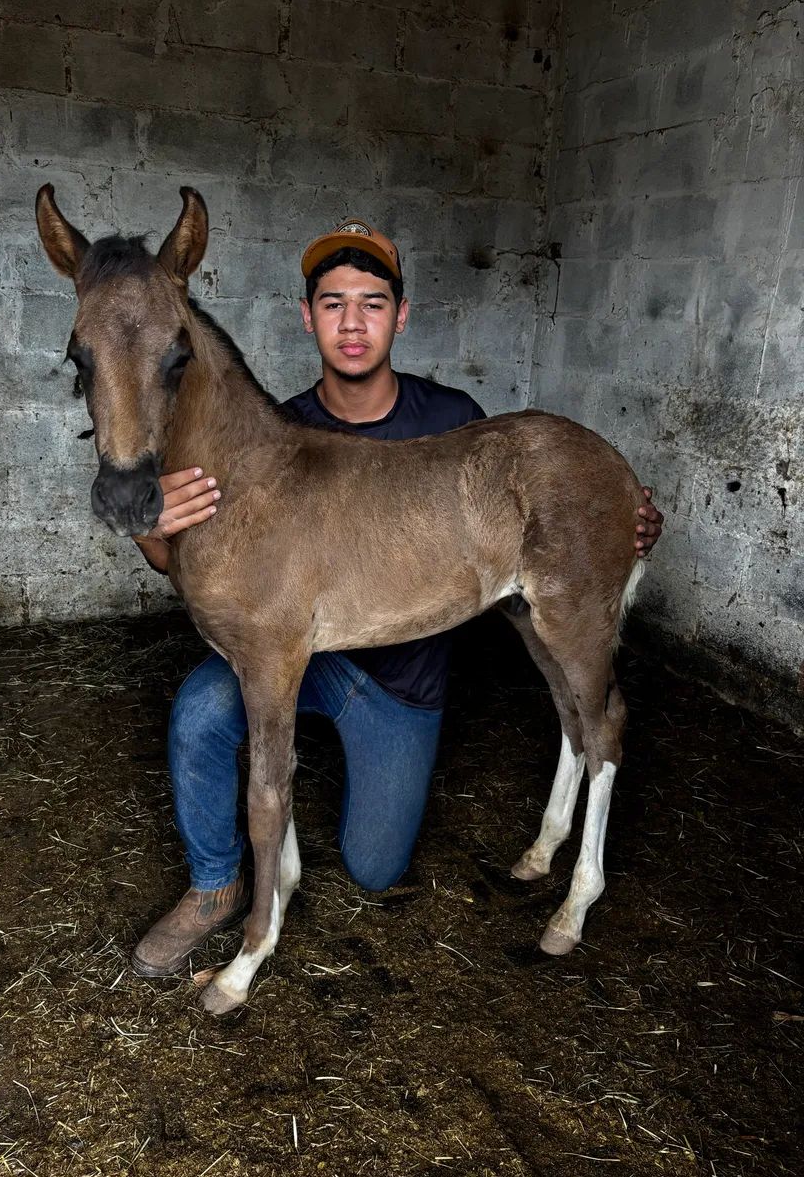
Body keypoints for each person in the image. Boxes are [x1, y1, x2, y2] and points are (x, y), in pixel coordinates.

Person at [128, 219, 664, 978]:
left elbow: (522, 526)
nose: (353, 322)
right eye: (334, 302)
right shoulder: (274, 436)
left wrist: (617, 521)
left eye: (373, 303)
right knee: (203, 707)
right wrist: (148, 523)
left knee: (384, 860)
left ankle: (582, 863)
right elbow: (191, 561)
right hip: (310, 651)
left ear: (400, 315)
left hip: (403, 688)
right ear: (306, 314)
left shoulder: (455, 423)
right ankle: (216, 887)